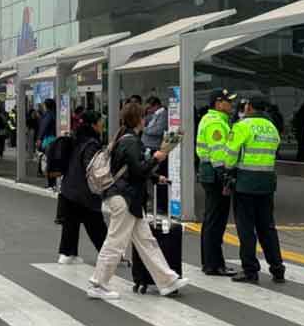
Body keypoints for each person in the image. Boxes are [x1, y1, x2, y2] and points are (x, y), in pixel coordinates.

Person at [86, 102, 188, 301]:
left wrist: (155, 177)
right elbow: (138, 170)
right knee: (115, 242)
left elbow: (131, 169)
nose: (145, 120)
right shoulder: (131, 141)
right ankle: (98, 284)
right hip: (125, 198)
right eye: (143, 117)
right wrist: (158, 158)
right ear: (138, 119)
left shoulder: (124, 139)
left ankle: (167, 281)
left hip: (127, 198)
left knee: (147, 242)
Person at [225, 97, 285, 284]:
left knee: (246, 229)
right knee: (267, 227)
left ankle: (250, 270)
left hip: (245, 183)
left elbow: (231, 154)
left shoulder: (242, 126)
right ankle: (277, 269)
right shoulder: (272, 127)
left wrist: (228, 170)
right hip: (267, 183)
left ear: (248, 107)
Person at [56, 110, 108, 264]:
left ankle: (67, 254)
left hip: (69, 188)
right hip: (83, 191)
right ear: (93, 124)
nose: (102, 124)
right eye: (100, 121)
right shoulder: (91, 143)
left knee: (71, 223)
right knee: (96, 223)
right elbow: (91, 167)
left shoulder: (76, 139)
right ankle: (109, 255)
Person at [196, 89, 237, 277]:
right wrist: (225, 176)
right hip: (215, 175)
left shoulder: (212, 119)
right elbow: (218, 153)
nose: (231, 105)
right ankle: (214, 264)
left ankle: (211, 262)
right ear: (218, 103)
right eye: (228, 101)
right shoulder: (216, 123)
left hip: (209, 173)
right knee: (216, 221)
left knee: (211, 220)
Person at [36, 98, 57, 187]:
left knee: (49, 162)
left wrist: (39, 139)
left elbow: (43, 127)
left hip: (48, 140)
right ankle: (54, 182)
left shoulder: (48, 115)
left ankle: (51, 183)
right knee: (53, 162)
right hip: (55, 139)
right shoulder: (55, 114)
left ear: (46, 105)